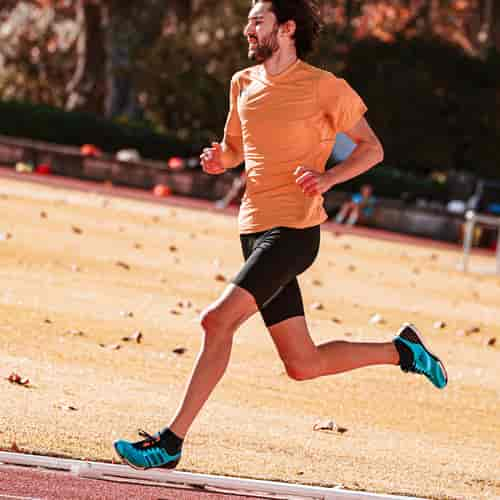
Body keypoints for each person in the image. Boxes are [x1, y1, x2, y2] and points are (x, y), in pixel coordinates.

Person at [114, 0, 448, 471]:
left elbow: (373, 149)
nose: (247, 28)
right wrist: (218, 160)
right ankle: (403, 351)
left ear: (287, 28)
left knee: (216, 321)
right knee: (302, 364)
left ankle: (170, 441)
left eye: (258, 20)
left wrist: (329, 179)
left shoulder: (324, 87)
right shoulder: (242, 84)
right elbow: (234, 150)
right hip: (253, 228)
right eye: (249, 20)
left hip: (293, 231)